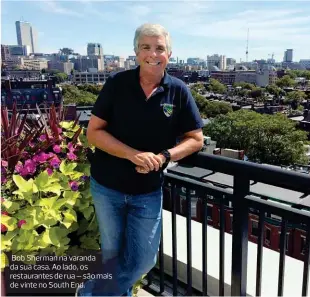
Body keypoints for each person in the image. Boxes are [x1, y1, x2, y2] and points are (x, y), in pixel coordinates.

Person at [76, 23, 204, 296]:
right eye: (146, 47)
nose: (152, 54)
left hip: (147, 191)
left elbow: (196, 139)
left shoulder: (178, 91)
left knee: (145, 258)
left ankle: (91, 292)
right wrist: (133, 154)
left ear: (169, 53)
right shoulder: (117, 84)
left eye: (159, 48)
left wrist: (165, 156)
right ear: (136, 52)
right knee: (113, 253)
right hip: (107, 186)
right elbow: (93, 133)